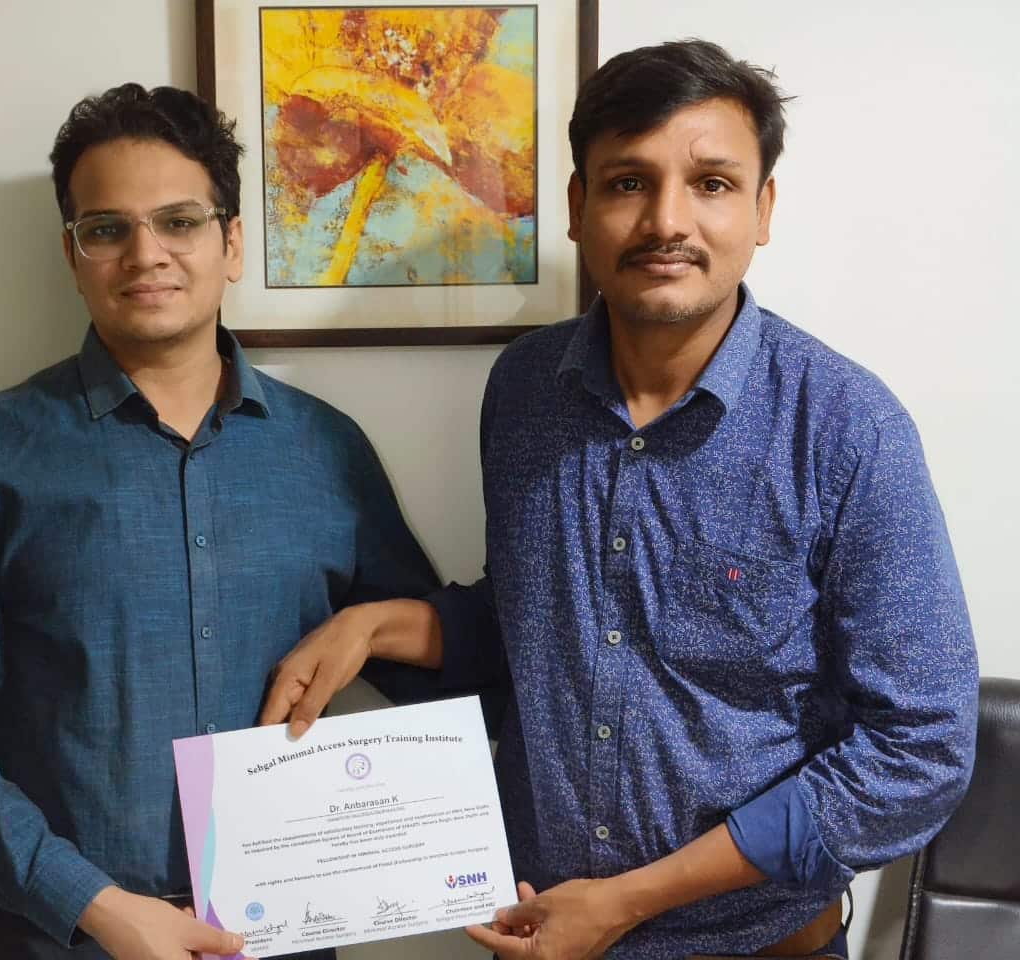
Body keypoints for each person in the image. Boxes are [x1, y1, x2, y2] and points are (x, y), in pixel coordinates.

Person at [260, 40, 978, 959]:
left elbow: (921, 750)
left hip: (754, 947)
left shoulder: (847, 428)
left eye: (712, 184)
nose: (666, 220)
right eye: (629, 182)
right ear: (576, 207)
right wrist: (376, 625)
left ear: (763, 209)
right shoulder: (523, 391)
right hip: (538, 932)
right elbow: (546, 626)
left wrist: (628, 902)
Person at [0, 83, 438, 960]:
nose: (146, 255)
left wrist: (375, 625)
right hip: (54, 940)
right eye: (107, 229)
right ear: (72, 253)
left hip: (276, 936)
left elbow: (435, 674)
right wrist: (94, 905)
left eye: (179, 221)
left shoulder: (328, 451)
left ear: (231, 243)